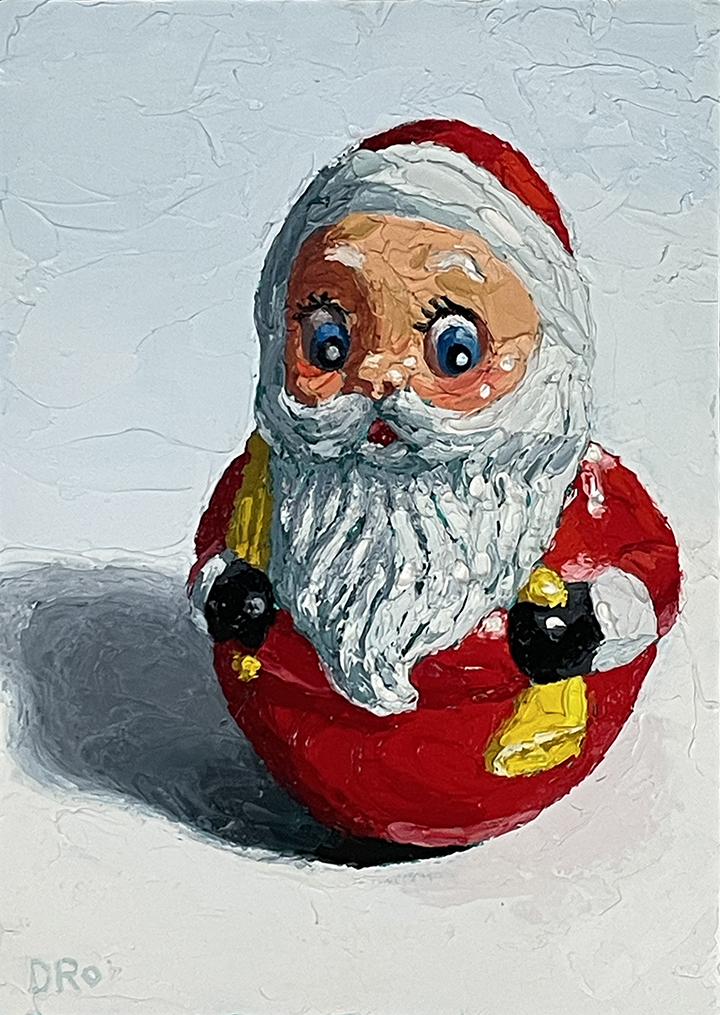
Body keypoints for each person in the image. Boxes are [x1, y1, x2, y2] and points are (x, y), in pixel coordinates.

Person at [188, 120, 680, 849]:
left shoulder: (577, 492)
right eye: (330, 342)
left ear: (547, 358)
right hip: (304, 747)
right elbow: (216, 556)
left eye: (454, 350)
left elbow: (651, 573)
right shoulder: (271, 483)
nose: (380, 378)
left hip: (508, 754)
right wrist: (225, 588)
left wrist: (593, 622)